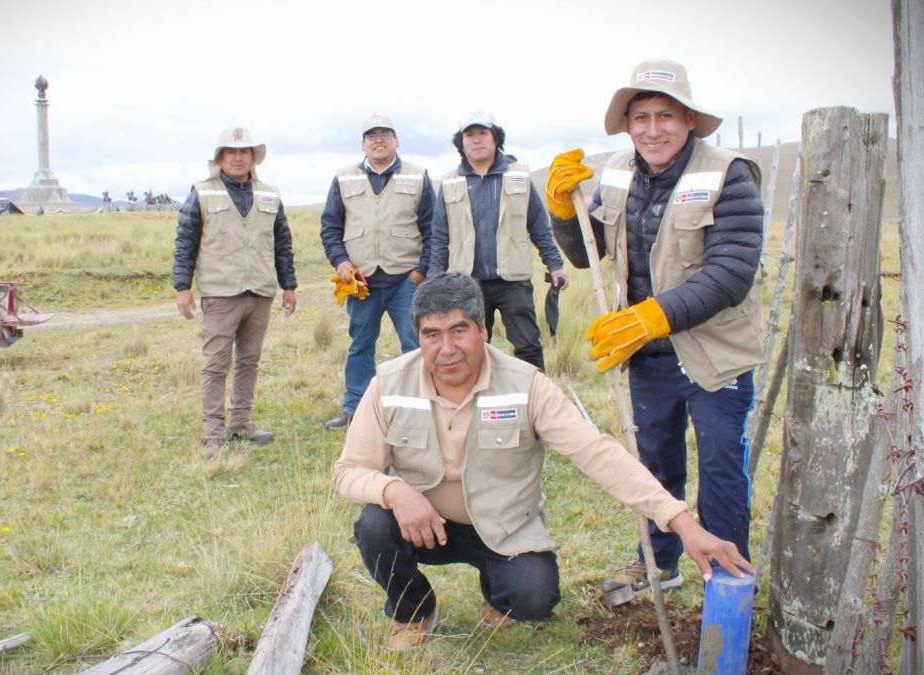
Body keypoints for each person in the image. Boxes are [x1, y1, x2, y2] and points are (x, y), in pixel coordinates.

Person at [332, 272, 754, 650]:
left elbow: (598, 453)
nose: (446, 349)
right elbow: (349, 471)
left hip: (503, 528)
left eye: (459, 330)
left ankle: (498, 596)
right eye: (431, 334)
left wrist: (681, 522)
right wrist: (395, 490)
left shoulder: (526, 384)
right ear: (418, 337)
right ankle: (413, 612)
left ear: (484, 329)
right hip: (422, 526)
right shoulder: (389, 383)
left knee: (533, 598)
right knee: (374, 524)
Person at [545, 58, 764, 602]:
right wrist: (563, 212)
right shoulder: (618, 172)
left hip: (716, 353)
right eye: (639, 116)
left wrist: (651, 316)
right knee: (654, 464)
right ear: (627, 124)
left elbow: (731, 272)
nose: (652, 128)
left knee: (720, 471)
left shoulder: (728, 173)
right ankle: (658, 564)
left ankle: (729, 581)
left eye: (665, 115)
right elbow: (586, 255)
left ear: (689, 119)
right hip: (648, 356)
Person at [172, 127, 298, 452]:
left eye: (245, 152)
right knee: (215, 365)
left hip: (260, 292)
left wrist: (289, 285)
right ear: (220, 158)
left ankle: (240, 425)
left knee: (249, 362)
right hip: (219, 293)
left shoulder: (270, 194)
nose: (239, 157)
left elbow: (282, 243)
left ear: (254, 157)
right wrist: (182, 286)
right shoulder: (201, 192)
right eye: (231, 152)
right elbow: (185, 241)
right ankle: (214, 435)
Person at [319, 114, 435, 431]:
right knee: (360, 345)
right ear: (363, 143)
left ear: (397, 140)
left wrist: (422, 271)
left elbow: (434, 229)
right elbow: (330, 227)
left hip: (406, 281)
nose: (379, 139)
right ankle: (356, 409)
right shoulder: (343, 178)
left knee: (415, 345)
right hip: (362, 282)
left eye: (385, 133)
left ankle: (420, 407)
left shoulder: (418, 175)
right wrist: (341, 262)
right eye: (372, 135)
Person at [427, 112, 567, 373]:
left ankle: (537, 401)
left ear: (495, 139)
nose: (477, 140)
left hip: (513, 281)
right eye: (470, 135)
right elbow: (439, 235)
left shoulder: (519, 176)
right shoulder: (449, 182)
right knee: (470, 347)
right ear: (461, 143)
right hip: (466, 283)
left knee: (527, 346)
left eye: (483, 134)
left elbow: (539, 225)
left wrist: (555, 264)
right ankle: (479, 400)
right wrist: (435, 276)